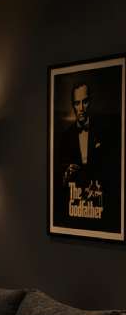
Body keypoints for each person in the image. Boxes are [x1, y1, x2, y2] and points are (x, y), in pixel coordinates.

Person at [57, 80, 120, 232]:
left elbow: (113, 170)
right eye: (77, 103)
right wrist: (66, 175)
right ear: (73, 105)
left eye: (84, 102)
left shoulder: (104, 132)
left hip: (100, 205)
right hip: (75, 207)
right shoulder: (66, 137)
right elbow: (59, 179)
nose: (81, 108)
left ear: (90, 102)